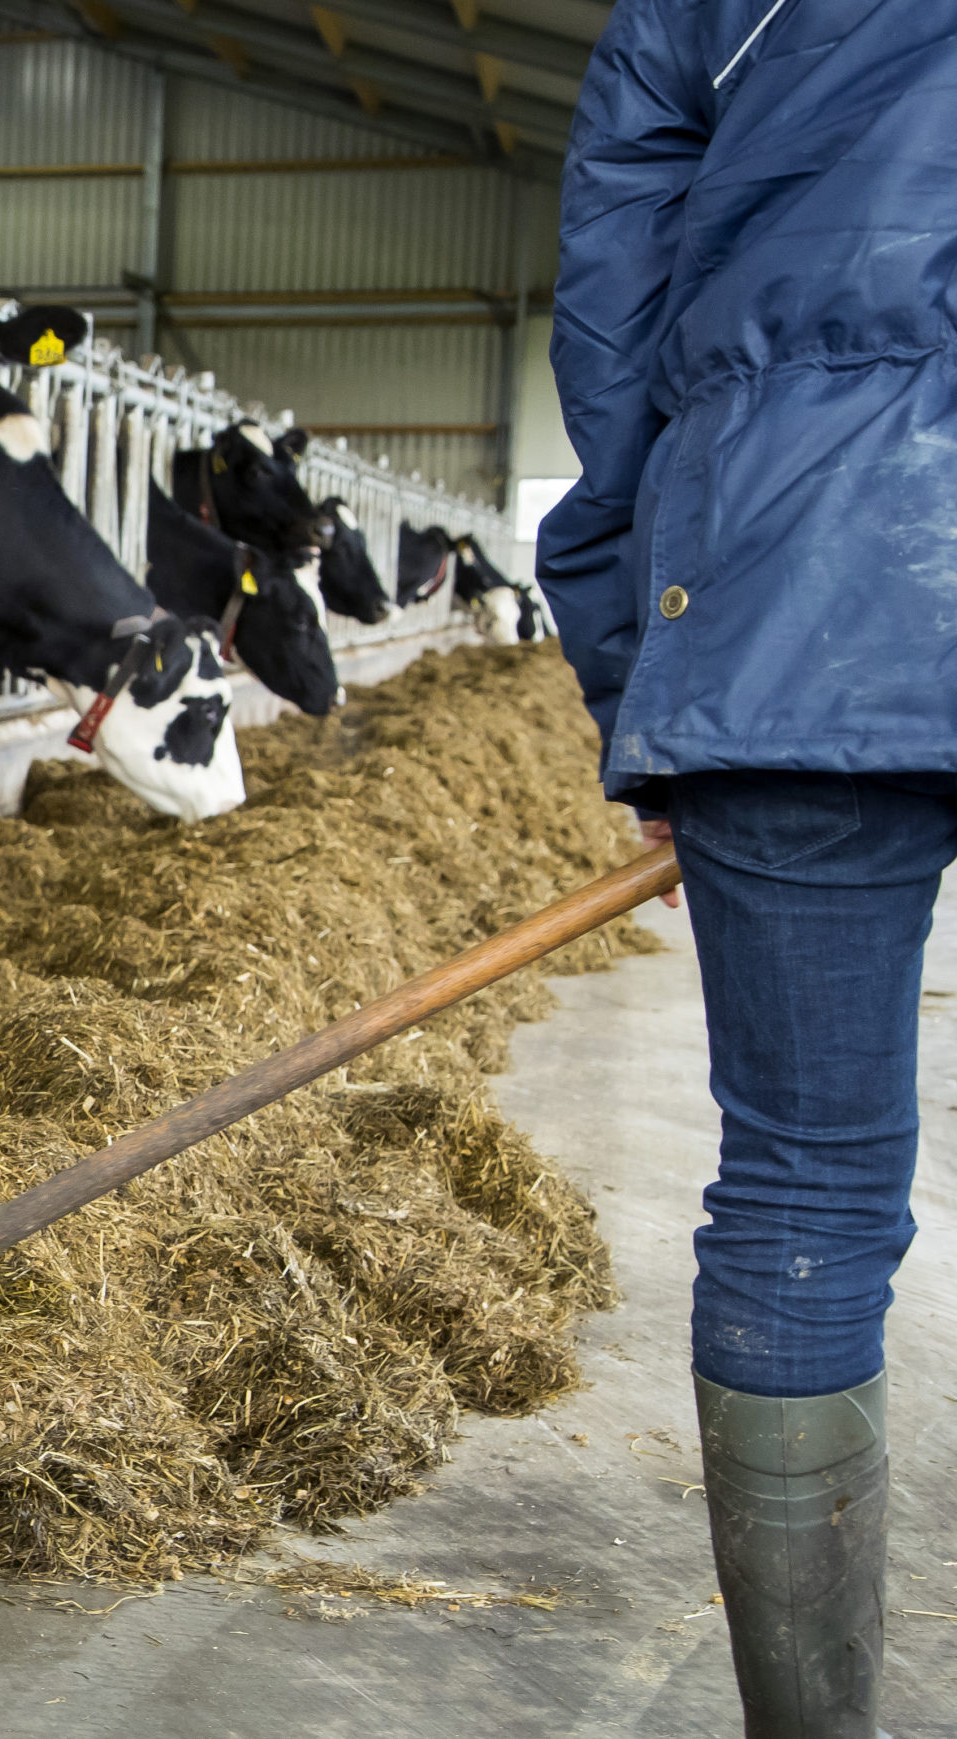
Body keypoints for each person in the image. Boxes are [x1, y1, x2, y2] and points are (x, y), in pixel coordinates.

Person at [540, 2, 955, 1733]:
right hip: (807, 584)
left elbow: (616, 320)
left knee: (806, 1187)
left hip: (794, 580)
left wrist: (651, 679)